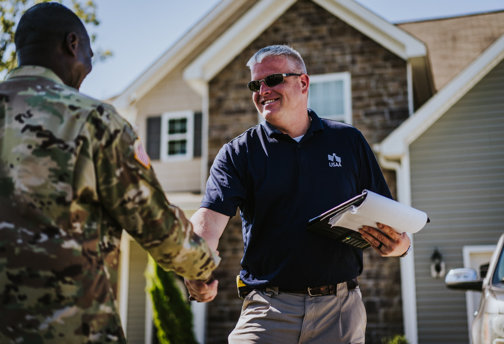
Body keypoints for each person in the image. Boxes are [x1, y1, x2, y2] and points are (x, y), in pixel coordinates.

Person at [0, 3, 219, 343]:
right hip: (69, 331)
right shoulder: (93, 121)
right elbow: (156, 224)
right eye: (89, 55)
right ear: (72, 44)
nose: (88, 67)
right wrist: (202, 269)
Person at [185, 45, 411, 343]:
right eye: (255, 84)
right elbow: (209, 219)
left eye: (273, 79)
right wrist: (195, 264)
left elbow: (389, 220)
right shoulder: (239, 153)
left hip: (340, 312)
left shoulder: (348, 141)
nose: (262, 90)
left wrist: (400, 244)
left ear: (303, 83)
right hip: (267, 309)